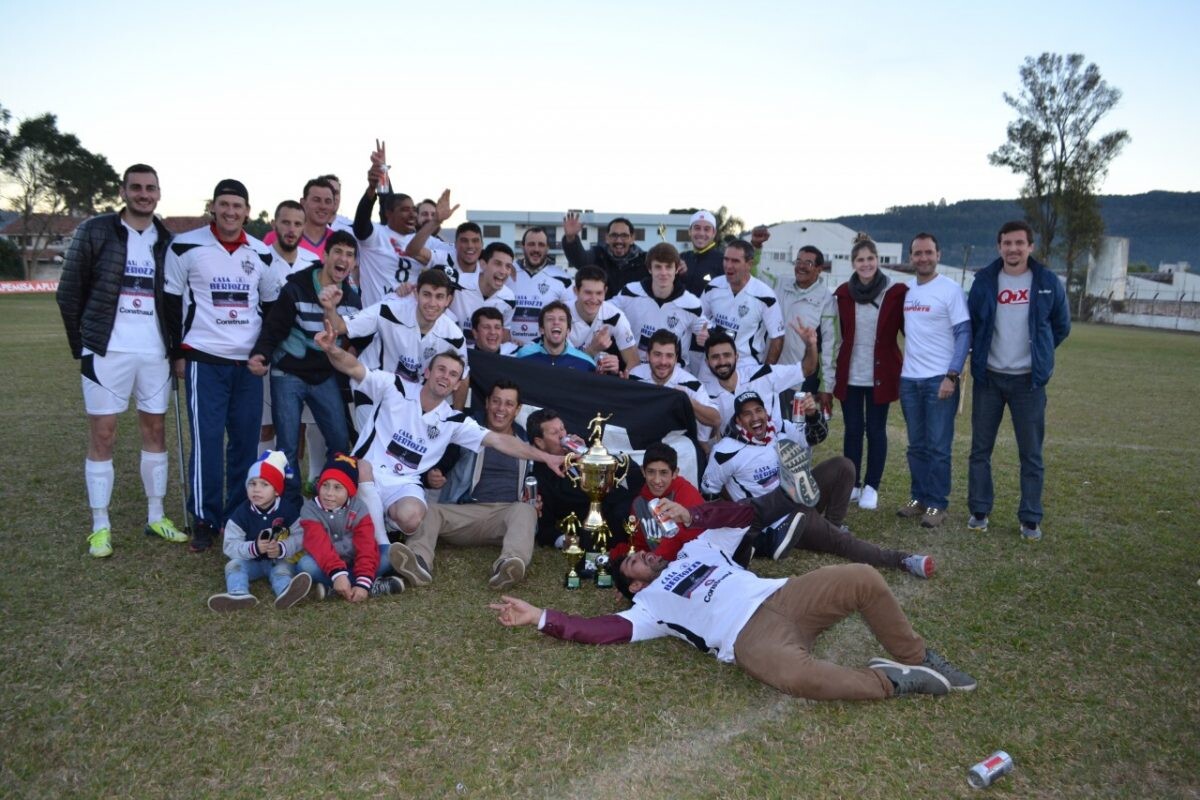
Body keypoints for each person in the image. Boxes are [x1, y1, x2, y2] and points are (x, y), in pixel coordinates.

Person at [490, 498, 976, 701]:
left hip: (784, 596)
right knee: (796, 677)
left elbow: (745, 514)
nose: (643, 556)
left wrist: (694, 513)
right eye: (634, 563)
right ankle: (894, 681)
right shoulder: (648, 607)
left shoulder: (697, 545)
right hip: (751, 640)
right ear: (634, 586)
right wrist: (541, 617)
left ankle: (921, 657)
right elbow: (598, 631)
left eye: (641, 551)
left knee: (863, 577)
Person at [314, 331, 565, 586]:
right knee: (364, 466)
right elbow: (355, 368)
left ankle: (385, 535)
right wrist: (331, 349)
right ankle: (383, 547)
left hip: (403, 484)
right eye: (441, 370)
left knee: (413, 516)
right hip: (365, 474)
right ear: (427, 372)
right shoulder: (396, 386)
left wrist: (545, 457)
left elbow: (500, 440)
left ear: (458, 385)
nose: (446, 376)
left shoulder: (453, 421)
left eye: (453, 374)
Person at [55, 163, 189, 558]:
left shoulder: (168, 240)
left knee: (155, 432)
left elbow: (178, 301)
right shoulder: (95, 230)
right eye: (136, 187)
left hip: (154, 353)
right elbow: (68, 294)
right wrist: (85, 346)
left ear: (159, 193)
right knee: (104, 434)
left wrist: (175, 349)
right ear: (123, 191)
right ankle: (100, 525)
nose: (143, 194)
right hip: (106, 352)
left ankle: (156, 516)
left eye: (150, 188)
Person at [702, 391, 932, 577]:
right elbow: (709, 493)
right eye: (747, 414)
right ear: (738, 420)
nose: (755, 418)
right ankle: (903, 560)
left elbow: (815, 437)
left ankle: (830, 525)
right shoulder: (725, 452)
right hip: (782, 520)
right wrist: (741, 523)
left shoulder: (779, 429)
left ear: (766, 411)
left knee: (843, 466)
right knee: (844, 543)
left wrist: (812, 414)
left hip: (800, 495)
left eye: (759, 410)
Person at [164, 178, 275, 551]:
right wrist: (176, 353)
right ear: (213, 206)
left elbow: (272, 309)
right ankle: (204, 518)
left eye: (238, 206)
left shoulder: (261, 253)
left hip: (247, 366)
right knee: (208, 442)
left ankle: (237, 515)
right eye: (224, 205)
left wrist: (263, 352)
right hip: (204, 360)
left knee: (245, 444)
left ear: (247, 210)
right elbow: (169, 302)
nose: (230, 212)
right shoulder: (185, 245)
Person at [967, 220, 1070, 540]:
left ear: (1030, 247)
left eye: (1019, 243)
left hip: (1029, 383)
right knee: (980, 450)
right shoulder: (984, 280)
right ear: (999, 247)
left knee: (1031, 454)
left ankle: (1030, 518)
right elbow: (973, 322)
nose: (1013, 249)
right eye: (1007, 243)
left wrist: (1039, 354)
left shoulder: (1047, 281)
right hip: (990, 380)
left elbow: (1061, 326)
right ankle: (979, 511)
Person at [249, 231, 363, 498]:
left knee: (338, 439)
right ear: (324, 256)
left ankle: (332, 496)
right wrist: (261, 355)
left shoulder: (352, 299)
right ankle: (290, 503)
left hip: (323, 376)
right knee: (287, 444)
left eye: (349, 255)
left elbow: (359, 338)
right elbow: (273, 328)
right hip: (287, 372)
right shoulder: (297, 287)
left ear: (354, 264)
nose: (343, 259)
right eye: (338, 252)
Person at [397, 379, 537, 590]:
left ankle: (508, 565)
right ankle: (418, 561)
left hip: (506, 517)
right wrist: (432, 476)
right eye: (496, 401)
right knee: (430, 510)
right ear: (487, 403)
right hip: (465, 512)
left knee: (526, 510)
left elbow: (536, 480)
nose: (501, 409)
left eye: (508, 404)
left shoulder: (526, 442)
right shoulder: (466, 431)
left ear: (517, 410)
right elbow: (435, 460)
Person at [897, 233, 970, 529]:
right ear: (911, 256)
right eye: (917, 253)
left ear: (938, 255)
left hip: (939, 380)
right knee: (916, 446)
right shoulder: (908, 291)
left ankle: (937, 503)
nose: (923, 258)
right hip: (909, 380)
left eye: (928, 252)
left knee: (939, 446)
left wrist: (952, 375)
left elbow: (964, 333)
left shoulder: (950, 290)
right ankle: (919, 498)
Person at [832, 235, 907, 511]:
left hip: (881, 373)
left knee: (876, 430)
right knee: (853, 430)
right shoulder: (842, 293)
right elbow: (834, 333)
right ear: (853, 263)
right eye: (860, 260)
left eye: (870, 259)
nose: (866, 264)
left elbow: (910, 330)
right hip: (850, 373)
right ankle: (851, 484)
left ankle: (871, 486)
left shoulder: (896, 292)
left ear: (878, 260)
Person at [207, 451, 311, 611]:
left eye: (264, 484)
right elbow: (229, 545)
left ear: (277, 490)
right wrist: (253, 548)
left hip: (278, 560)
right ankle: (238, 594)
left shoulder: (288, 509)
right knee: (233, 566)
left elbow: (300, 536)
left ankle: (286, 592)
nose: (256, 490)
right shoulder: (241, 513)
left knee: (281, 571)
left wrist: (282, 548)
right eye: (252, 483)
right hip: (251, 562)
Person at [526, 408, 643, 549]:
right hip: (604, 522)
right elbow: (545, 529)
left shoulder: (579, 451)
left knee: (639, 472)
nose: (562, 435)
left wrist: (588, 453)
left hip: (626, 501)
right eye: (554, 433)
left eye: (562, 429)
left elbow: (621, 470)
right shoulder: (540, 477)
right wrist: (571, 542)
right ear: (540, 442)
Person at [294, 453, 405, 601]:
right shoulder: (309, 509)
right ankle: (372, 586)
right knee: (305, 565)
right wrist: (338, 574)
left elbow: (366, 545)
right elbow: (319, 545)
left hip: (356, 559)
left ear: (350, 491)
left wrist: (363, 580)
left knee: (388, 555)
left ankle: (339, 588)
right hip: (327, 562)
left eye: (337, 488)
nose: (329, 493)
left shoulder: (359, 508)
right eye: (325, 485)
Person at [612, 242, 708, 370]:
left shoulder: (691, 304)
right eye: (658, 267)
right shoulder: (630, 292)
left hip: (674, 375)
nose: (663, 273)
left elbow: (708, 332)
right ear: (650, 269)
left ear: (677, 269)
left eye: (668, 267)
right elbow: (603, 312)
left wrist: (707, 336)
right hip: (637, 371)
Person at [700, 330, 815, 436]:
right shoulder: (705, 396)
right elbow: (707, 437)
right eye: (715, 357)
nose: (722, 361)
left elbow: (806, 369)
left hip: (776, 445)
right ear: (707, 362)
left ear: (736, 357)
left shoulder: (763, 374)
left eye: (727, 355)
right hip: (738, 454)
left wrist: (811, 345)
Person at [700, 240, 784, 367]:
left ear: (749, 264)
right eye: (726, 259)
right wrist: (702, 332)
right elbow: (699, 318)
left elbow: (777, 337)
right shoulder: (713, 286)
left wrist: (765, 372)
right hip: (713, 361)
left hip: (746, 365)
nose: (728, 266)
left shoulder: (765, 295)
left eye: (735, 261)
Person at [775, 246, 837, 416]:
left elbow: (830, 345)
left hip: (801, 379)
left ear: (819, 270)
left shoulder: (826, 300)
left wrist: (826, 386)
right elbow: (754, 273)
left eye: (808, 263)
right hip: (773, 373)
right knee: (772, 427)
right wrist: (757, 248)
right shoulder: (780, 284)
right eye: (798, 261)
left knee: (798, 431)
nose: (801, 266)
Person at [627, 329, 721, 435]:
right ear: (648, 356)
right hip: (641, 435)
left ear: (676, 359)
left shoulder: (690, 383)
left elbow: (715, 420)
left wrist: (689, 402)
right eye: (657, 354)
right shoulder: (635, 375)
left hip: (676, 443)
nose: (663, 362)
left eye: (669, 356)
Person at [507, 227, 574, 346]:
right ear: (523, 246)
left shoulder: (563, 279)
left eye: (541, 245)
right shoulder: (507, 272)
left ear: (547, 248)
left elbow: (571, 319)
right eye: (531, 244)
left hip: (543, 353)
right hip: (509, 350)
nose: (536, 249)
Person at [568, 266, 639, 375]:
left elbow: (633, 361)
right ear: (576, 291)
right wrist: (591, 350)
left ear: (605, 291)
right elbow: (557, 364)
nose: (593, 299)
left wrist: (623, 379)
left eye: (599, 293)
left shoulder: (615, 316)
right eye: (588, 293)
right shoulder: (562, 314)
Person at [561, 213, 646, 297]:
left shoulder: (644, 261)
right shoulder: (598, 255)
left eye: (624, 236)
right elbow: (580, 260)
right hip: (602, 309)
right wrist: (571, 238)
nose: (619, 240)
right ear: (607, 238)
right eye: (614, 235)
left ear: (632, 238)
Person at [449, 242, 517, 345]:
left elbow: (505, 333)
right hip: (453, 354)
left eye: (508, 266)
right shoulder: (457, 283)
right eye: (498, 264)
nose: (503, 271)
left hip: (484, 357)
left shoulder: (509, 298)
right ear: (483, 265)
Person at [262, 177, 336, 256]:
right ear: (303, 202)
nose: (323, 206)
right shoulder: (275, 237)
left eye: (328, 201)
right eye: (316, 200)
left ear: (334, 205)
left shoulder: (337, 241)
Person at [514, 301, 596, 372]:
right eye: (550, 319)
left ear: (568, 331)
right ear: (542, 329)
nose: (556, 322)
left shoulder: (586, 363)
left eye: (561, 319)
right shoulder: (524, 355)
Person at [678, 210, 724, 296]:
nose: (701, 233)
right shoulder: (681, 258)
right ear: (690, 231)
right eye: (697, 228)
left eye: (707, 229)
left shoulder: (723, 261)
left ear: (713, 233)